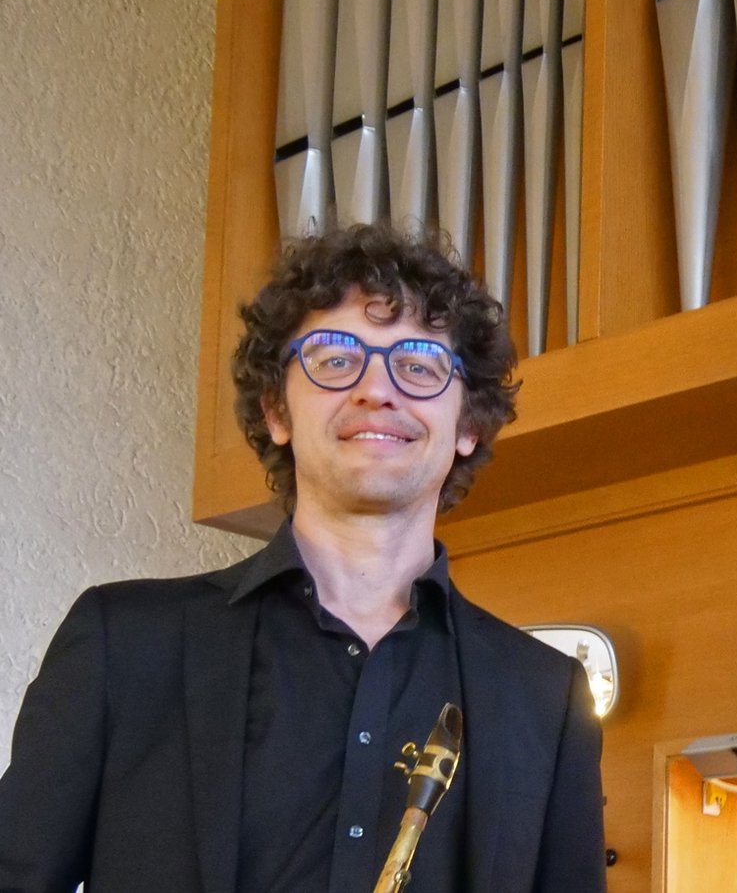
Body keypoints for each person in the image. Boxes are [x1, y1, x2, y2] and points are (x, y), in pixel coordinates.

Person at [0, 224, 606, 891]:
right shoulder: (124, 643)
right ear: (276, 410)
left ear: (467, 426)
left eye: (418, 366)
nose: (378, 390)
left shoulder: (546, 698)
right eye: (336, 358)